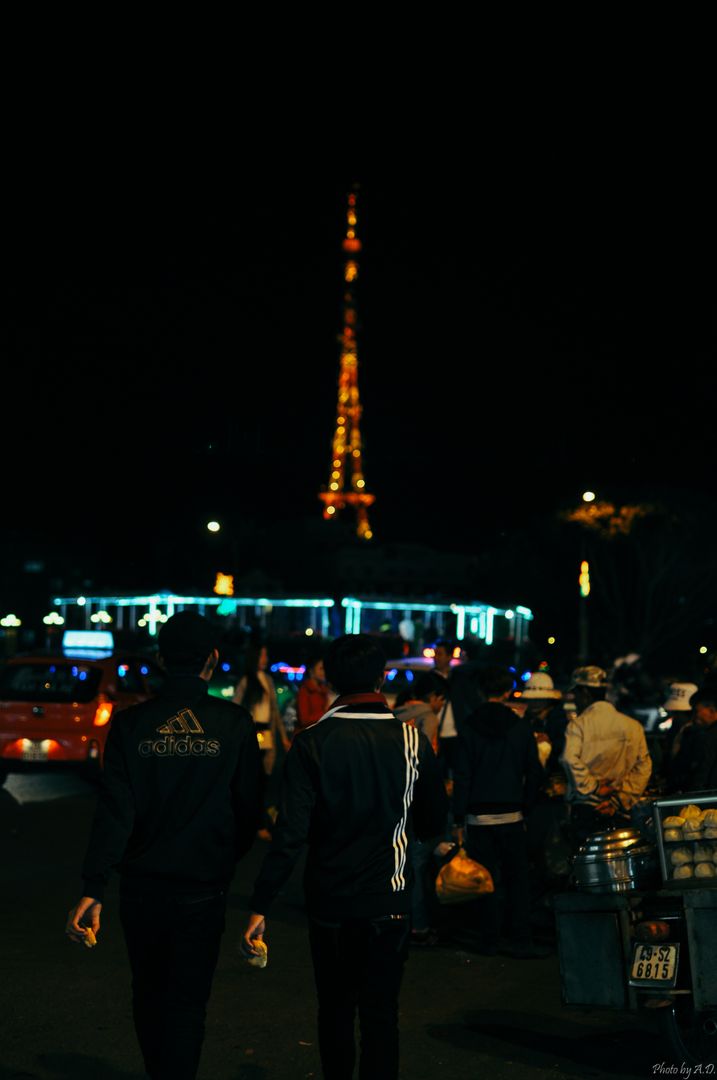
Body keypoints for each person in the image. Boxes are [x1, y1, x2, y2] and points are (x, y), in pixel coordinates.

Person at [65, 611, 264, 1080]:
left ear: (159, 659)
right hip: (204, 885)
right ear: (212, 660)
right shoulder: (233, 724)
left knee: (149, 993)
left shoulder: (132, 724)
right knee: (188, 1001)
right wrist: (222, 855)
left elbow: (114, 812)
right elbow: (249, 808)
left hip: (142, 886)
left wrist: (94, 886)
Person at [243, 633, 447, 1080]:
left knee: (334, 1010)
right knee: (381, 1014)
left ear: (331, 679)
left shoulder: (312, 742)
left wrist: (262, 903)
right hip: (389, 902)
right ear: (381, 676)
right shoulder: (413, 742)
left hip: (331, 900)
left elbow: (290, 835)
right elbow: (433, 822)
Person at [452, 665, 548, 958]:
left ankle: (488, 939)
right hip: (512, 815)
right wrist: (526, 805)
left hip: (478, 817)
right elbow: (534, 771)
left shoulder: (468, 727)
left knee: (485, 878)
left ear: (481, 691)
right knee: (517, 879)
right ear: (508, 691)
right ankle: (519, 938)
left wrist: (458, 815)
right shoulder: (520, 728)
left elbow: (462, 776)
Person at [560, 665, 652, 848]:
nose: (575, 700)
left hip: (585, 809)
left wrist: (593, 787)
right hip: (618, 811)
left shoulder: (578, 725)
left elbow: (569, 759)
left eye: (576, 695)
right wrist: (620, 800)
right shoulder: (633, 726)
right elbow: (644, 767)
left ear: (585, 692)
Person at [393, 671, 448, 945]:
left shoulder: (397, 712)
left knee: (397, 862)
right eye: (442, 699)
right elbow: (427, 759)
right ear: (434, 697)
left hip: (393, 794)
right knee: (417, 862)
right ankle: (419, 926)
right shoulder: (428, 717)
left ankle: (396, 918)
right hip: (416, 796)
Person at [233, 641, 291, 839]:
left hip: (266, 733)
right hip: (254, 731)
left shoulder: (268, 679)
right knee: (254, 777)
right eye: (263, 655)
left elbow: (275, 713)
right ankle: (257, 823)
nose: (265, 659)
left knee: (264, 779)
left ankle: (259, 822)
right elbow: (237, 706)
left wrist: (282, 737)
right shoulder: (246, 681)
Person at [667, 686, 717, 793]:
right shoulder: (695, 732)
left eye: (696, 711)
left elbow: (702, 772)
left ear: (712, 711)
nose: (694, 716)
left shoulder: (707, 736)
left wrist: (693, 796)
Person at [295, 653, 333, 732]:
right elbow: (304, 719)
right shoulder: (305, 691)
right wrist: (325, 713)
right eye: (321, 669)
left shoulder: (325, 690)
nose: (324, 672)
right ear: (311, 671)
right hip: (307, 736)